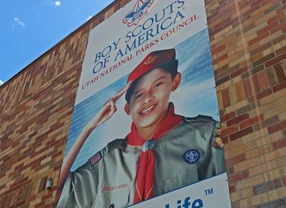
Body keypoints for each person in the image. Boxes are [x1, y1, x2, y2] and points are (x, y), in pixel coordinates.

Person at [56, 49, 226, 208]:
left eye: (157, 85)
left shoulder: (204, 134)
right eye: (139, 95)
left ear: (175, 82)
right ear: (128, 109)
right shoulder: (109, 159)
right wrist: (88, 128)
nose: (148, 98)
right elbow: (58, 195)